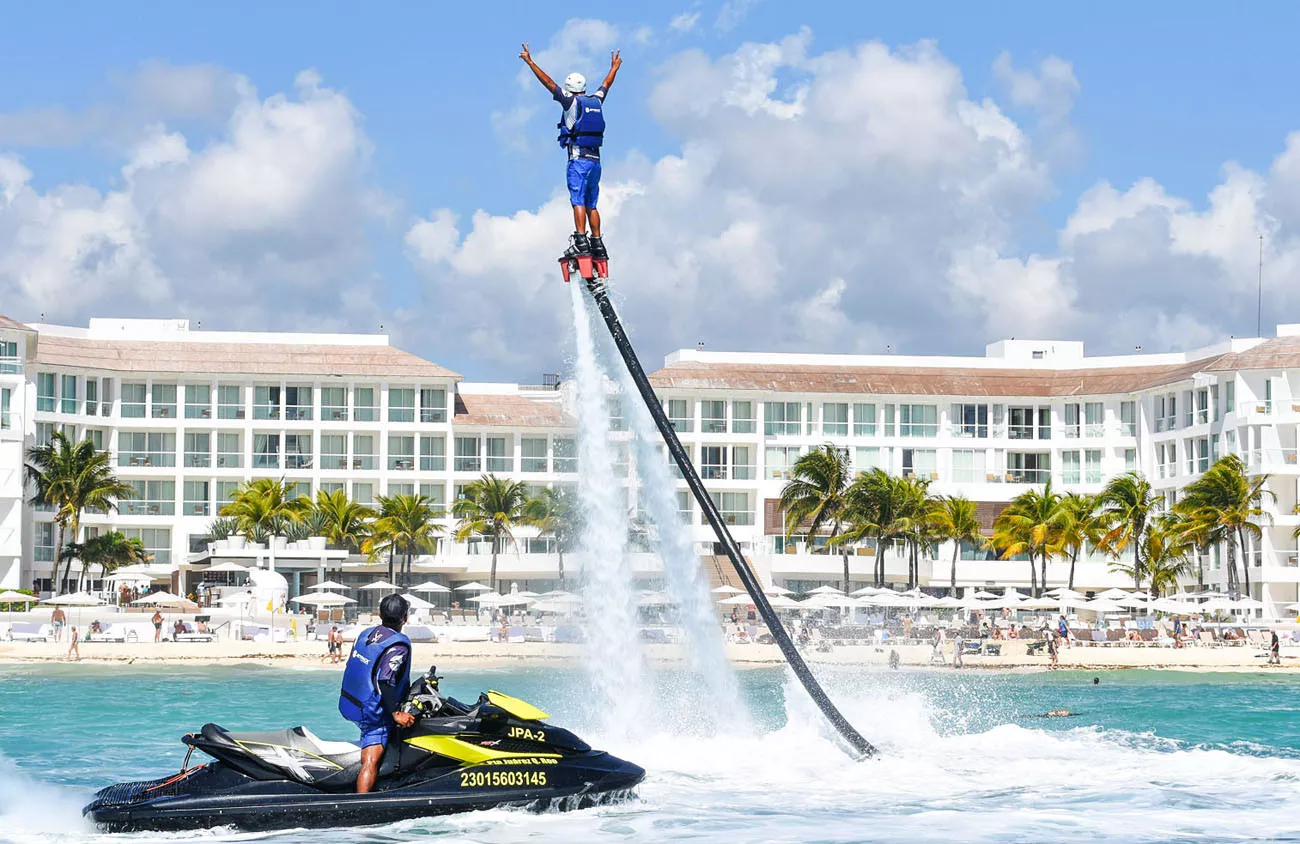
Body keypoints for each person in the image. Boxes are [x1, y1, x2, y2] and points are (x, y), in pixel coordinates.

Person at [519, 42, 622, 260]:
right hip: (596, 161)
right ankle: (598, 243)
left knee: (578, 201)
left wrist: (530, 62)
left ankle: (580, 240)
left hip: (578, 160)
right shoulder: (596, 100)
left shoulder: (570, 101)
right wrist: (614, 67)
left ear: (569, 88)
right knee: (592, 203)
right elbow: (606, 84)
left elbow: (548, 83)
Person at [339, 594, 416, 794]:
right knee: (370, 761)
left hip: (350, 703)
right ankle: (361, 804)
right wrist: (396, 714)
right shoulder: (397, 644)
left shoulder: (365, 634)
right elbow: (385, 680)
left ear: (379, 614)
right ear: (405, 618)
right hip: (372, 713)